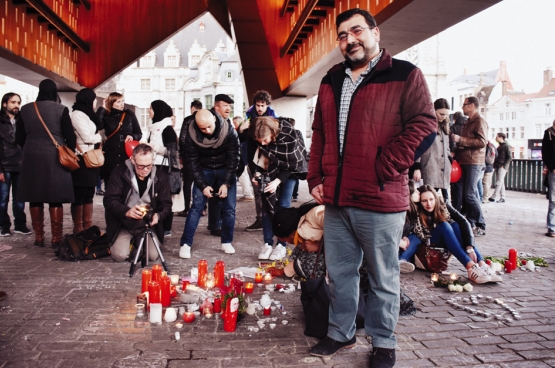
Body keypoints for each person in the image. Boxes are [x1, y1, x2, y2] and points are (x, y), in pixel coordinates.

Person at [306, 9, 437, 367]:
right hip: (336, 199)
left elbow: (425, 125)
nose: (350, 39)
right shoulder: (331, 79)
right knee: (340, 275)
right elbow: (319, 132)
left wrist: (386, 165)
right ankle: (340, 333)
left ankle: (383, 341)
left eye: (357, 30)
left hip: (380, 198)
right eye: (343, 35)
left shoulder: (404, 74)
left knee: (383, 277)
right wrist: (315, 178)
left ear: (375, 32)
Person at [16, 79, 76, 248]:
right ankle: (56, 238)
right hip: (55, 157)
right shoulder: (60, 109)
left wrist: (30, 146)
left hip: (31, 156)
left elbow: (18, 138)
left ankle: (39, 236)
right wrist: (68, 151)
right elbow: (70, 137)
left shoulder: (26, 109)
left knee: (35, 196)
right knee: (55, 197)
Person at [399, 185, 500, 284]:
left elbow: (464, 222)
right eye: (424, 201)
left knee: (456, 225)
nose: (428, 204)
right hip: (427, 242)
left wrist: (470, 247)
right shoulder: (416, 210)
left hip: (445, 242)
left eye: (431, 199)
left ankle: (482, 265)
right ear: (420, 202)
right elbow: (406, 227)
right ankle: (470, 267)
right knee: (445, 225)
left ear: (436, 198)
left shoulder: (443, 205)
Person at [178, 109, 240, 259]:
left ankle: (226, 241)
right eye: (202, 128)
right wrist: (202, 185)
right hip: (204, 170)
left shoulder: (229, 130)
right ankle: (185, 244)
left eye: (209, 127)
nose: (207, 131)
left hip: (225, 169)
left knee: (229, 208)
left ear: (214, 118)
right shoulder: (191, 134)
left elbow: (234, 158)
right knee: (196, 207)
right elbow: (192, 162)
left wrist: (226, 183)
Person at [249, 116, 307, 261]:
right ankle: (268, 243)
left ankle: (281, 245)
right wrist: (256, 173)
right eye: (259, 141)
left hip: (289, 174)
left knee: (283, 207)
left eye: (265, 140)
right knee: (267, 208)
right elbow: (259, 157)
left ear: (273, 133)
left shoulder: (291, 136)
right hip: (268, 171)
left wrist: (277, 181)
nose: (262, 143)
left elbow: (294, 164)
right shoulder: (261, 138)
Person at [104, 144, 171, 262]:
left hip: (147, 224)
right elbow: (109, 200)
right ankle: (132, 245)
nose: (145, 170)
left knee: (151, 256)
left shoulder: (161, 176)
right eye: (140, 166)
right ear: (132, 160)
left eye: (149, 166)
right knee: (119, 256)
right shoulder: (120, 172)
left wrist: (158, 216)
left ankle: (139, 244)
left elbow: (166, 204)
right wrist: (126, 211)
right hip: (124, 223)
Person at [451, 96, 488, 235]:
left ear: (472, 105)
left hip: (474, 162)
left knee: (470, 194)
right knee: (467, 194)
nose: (463, 107)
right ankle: (471, 222)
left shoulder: (479, 121)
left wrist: (460, 139)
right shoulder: (468, 122)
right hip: (465, 160)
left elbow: (482, 142)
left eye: (465, 105)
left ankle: (481, 224)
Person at [244, 90, 279, 232]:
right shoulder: (249, 114)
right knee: (258, 190)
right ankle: (260, 219)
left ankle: (273, 219)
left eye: (262, 105)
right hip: (253, 158)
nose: (259, 108)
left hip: (269, 159)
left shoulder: (273, 117)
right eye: (257, 105)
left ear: (267, 105)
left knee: (271, 190)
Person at [69, 88, 103, 234]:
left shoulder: (89, 114)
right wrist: (100, 137)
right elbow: (88, 137)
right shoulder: (77, 115)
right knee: (79, 194)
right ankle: (78, 227)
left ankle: (87, 226)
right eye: (94, 98)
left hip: (91, 157)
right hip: (82, 158)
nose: (95, 101)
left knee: (89, 193)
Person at [0, 92, 31, 236]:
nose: (17, 105)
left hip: (21, 165)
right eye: (13, 102)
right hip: (4, 165)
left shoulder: (22, 121)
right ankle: (3, 226)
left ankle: (20, 225)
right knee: (2, 199)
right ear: (5, 104)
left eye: (18, 102)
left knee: (20, 198)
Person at [147, 100, 178, 237]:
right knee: (153, 198)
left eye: (151, 109)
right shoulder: (153, 128)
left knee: (164, 198)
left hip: (164, 168)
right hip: (152, 166)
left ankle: (166, 227)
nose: (149, 111)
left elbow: (173, 152)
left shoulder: (167, 129)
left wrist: (155, 147)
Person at [207, 94, 236, 237]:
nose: (228, 109)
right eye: (226, 105)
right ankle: (215, 225)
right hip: (211, 167)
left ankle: (218, 225)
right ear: (216, 106)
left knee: (221, 199)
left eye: (230, 106)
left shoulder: (228, 122)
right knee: (214, 198)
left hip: (225, 165)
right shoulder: (208, 121)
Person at [412, 98, 452, 201]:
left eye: (446, 114)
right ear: (433, 110)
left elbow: (446, 145)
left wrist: (449, 158)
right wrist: (417, 167)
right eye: (441, 114)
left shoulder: (445, 125)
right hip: (429, 166)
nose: (444, 117)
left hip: (443, 167)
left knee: (441, 199)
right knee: (427, 196)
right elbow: (418, 145)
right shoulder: (426, 124)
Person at [272, 202, 325, 279]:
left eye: (285, 240)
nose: (286, 242)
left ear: (293, 233)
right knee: (301, 249)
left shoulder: (317, 214)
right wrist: (283, 271)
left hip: (344, 255)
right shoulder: (302, 227)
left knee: (308, 264)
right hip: (331, 248)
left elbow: (343, 234)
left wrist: (319, 246)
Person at [99, 92, 142, 184]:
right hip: (111, 154)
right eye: (118, 102)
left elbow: (139, 133)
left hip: (126, 154)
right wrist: (102, 107)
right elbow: (98, 126)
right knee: (110, 183)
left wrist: (132, 136)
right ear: (111, 103)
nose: (122, 104)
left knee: (126, 184)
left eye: (123, 101)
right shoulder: (107, 115)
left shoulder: (130, 115)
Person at [177, 100, 203, 217]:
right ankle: (202, 208)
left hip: (189, 156)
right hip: (202, 156)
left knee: (187, 183)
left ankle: (186, 208)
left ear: (192, 108)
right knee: (201, 181)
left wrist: (182, 153)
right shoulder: (204, 118)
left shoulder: (188, 120)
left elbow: (182, 139)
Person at [232, 116, 255, 202]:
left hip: (243, 156)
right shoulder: (243, 130)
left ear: (239, 122)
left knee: (243, 175)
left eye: (235, 123)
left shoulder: (243, 131)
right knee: (244, 175)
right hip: (245, 156)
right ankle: (248, 193)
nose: (234, 124)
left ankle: (248, 194)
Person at [449, 111, 467, 211]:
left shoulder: (454, 128)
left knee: (456, 186)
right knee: (466, 187)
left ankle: (455, 209)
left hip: (456, 160)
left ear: (455, 118)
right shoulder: (468, 125)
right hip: (468, 160)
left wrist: (453, 152)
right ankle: (464, 209)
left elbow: (451, 143)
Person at [490, 133, 512, 203]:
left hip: (502, 166)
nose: (495, 138)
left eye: (497, 137)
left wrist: (504, 165)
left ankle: (494, 196)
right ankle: (503, 197)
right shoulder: (501, 146)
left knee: (499, 182)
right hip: (499, 165)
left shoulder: (506, 146)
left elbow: (510, 157)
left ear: (501, 137)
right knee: (501, 182)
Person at [541, 120, 555, 237]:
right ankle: (552, 227)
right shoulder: (549, 133)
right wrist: (551, 167)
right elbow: (545, 152)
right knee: (553, 200)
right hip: (554, 170)